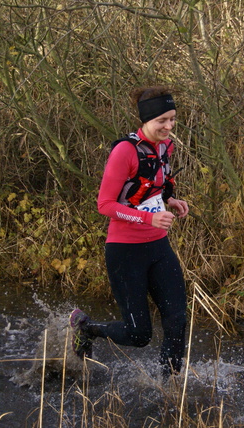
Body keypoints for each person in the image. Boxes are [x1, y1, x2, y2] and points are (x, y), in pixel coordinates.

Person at [70, 86, 189, 378]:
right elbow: (105, 204)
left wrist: (171, 200)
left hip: (158, 248)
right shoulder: (125, 151)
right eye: (163, 120)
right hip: (125, 251)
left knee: (176, 318)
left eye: (173, 119)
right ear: (146, 119)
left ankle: (170, 386)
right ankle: (86, 329)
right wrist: (148, 220)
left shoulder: (165, 147)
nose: (169, 126)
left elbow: (156, 184)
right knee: (139, 334)